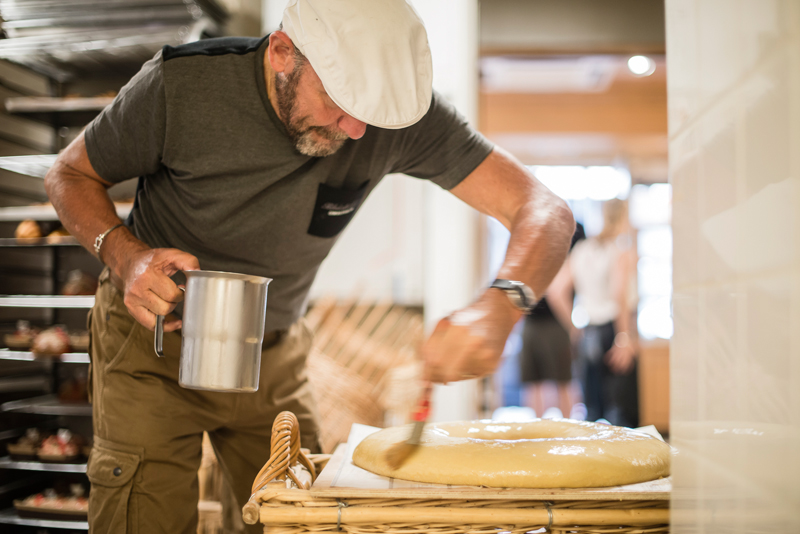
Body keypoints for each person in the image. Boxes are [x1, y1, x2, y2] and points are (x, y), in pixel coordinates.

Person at [43, 0, 574, 532]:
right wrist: (125, 254)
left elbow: (545, 211)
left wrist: (502, 305)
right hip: (150, 345)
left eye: (371, 114)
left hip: (274, 356)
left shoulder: (390, 118)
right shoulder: (178, 87)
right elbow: (67, 175)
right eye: (339, 102)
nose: (358, 129)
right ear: (281, 52)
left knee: (298, 521)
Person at [548, 199, 639, 428]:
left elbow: (556, 291)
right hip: (613, 331)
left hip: (589, 334)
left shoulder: (582, 250)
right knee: (621, 414)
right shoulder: (621, 250)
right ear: (623, 217)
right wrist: (624, 338)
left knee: (593, 413)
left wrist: (574, 327)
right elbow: (620, 295)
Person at [519, 222, 584, 418]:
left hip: (531, 323)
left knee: (537, 384)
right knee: (562, 383)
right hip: (553, 324)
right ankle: (565, 433)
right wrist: (572, 327)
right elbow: (556, 294)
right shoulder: (560, 253)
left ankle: (539, 435)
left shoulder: (531, 251)